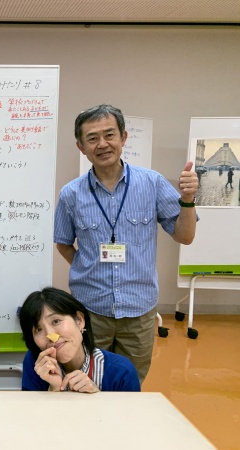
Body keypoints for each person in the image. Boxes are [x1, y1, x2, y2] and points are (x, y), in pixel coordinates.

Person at [54, 104, 198, 384]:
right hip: (90, 310)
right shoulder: (71, 194)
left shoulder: (152, 183)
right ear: (81, 147)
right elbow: (63, 243)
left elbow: (185, 236)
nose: (102, 144)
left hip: (138, 310)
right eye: (92, 138)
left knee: (130, 382)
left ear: (123, 137)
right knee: (86, 380)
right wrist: (88, 268)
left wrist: (188, 200)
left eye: (109, 134)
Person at [19, 288, 140, 392]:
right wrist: (54, 390)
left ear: (79, 320)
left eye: (56, 321)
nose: (50, 335)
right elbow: (30, 412)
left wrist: (98, 397)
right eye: (38, 329)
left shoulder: (122, 371)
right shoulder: (34, 363)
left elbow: (130, 413)